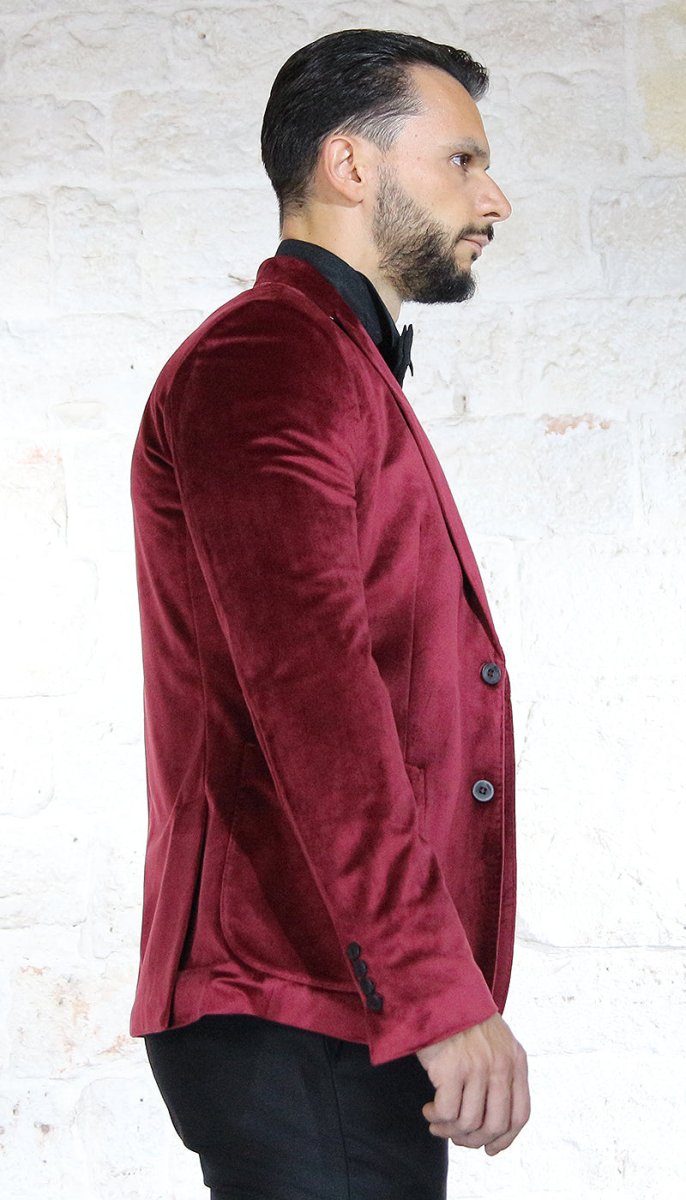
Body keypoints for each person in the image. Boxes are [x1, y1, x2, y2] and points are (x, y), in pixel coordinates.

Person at [130, 28, 530, 1200]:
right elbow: (313, 705)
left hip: (335, 994)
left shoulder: (334, 360)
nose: (493, 199)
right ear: (349, 165)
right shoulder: (268, 359)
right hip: (294, 997)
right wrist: (436, 990)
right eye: (460, 160)